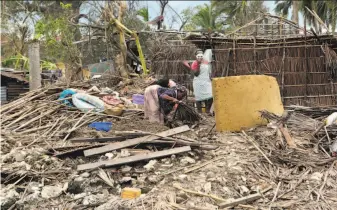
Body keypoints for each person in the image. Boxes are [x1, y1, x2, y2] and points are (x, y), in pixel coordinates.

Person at [183, 49, 213, 114]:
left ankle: (207, 110)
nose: (200, 56)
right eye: (198, 55)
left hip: (206, 81)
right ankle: (199, 112)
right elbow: (196, 74)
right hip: (198, 82)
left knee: (210, 96)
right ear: (196, 56)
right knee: (199, 97)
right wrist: (199, 65)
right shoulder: (194, 63)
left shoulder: (206, 62)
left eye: (201, 54)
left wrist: (210, 78)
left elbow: (209, 72)